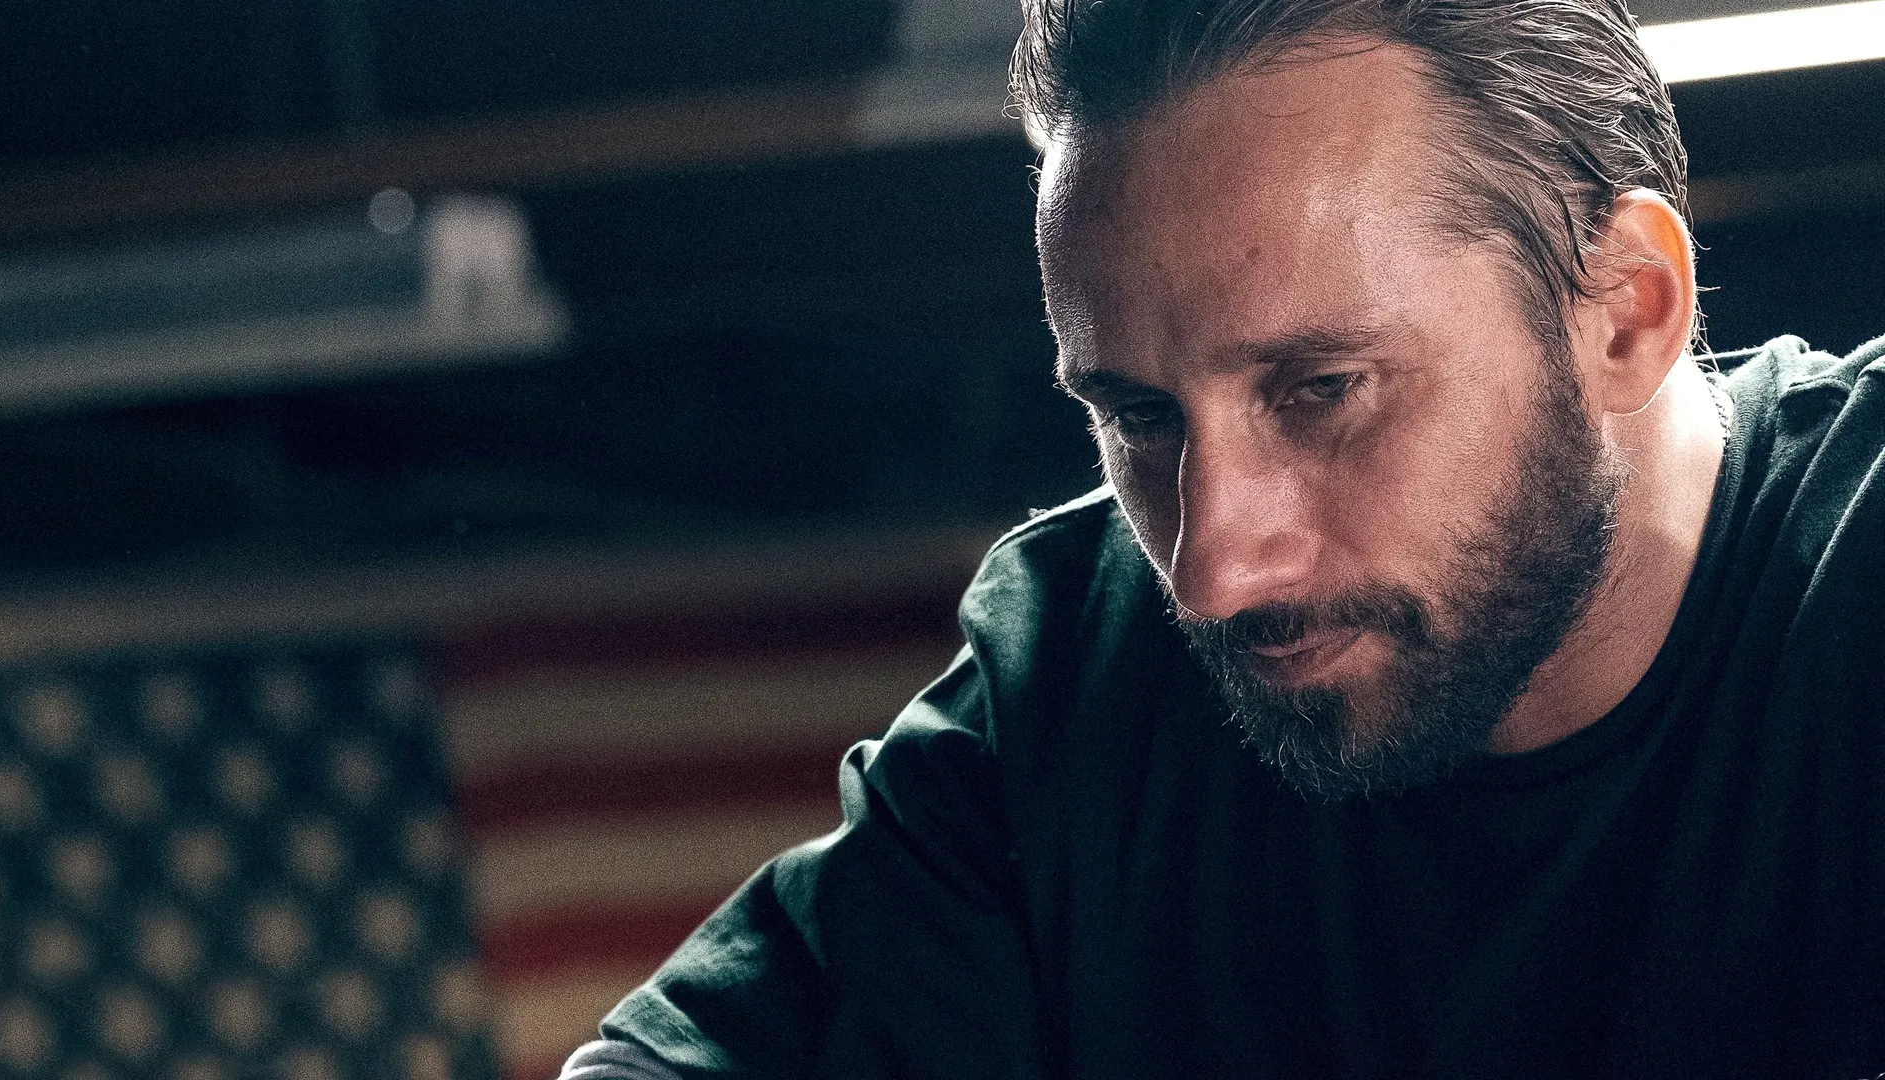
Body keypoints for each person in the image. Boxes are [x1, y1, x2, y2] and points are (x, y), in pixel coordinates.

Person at [563, 0, 1885, 1075]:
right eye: (1140, 417)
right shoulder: (1077, 665)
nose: (1211, 570)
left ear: (1627, 311)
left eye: (1321, 391)